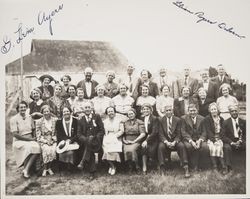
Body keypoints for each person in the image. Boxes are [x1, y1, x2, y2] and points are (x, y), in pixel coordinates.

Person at [10, 101, 41, 178]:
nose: (23, 109)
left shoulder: (29, 117)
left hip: (30, 139)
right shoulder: (14, 119)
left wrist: (34, 137)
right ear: (18, 109)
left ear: (27, 108)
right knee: (29, 148)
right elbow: (15, 134)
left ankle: (26, 169)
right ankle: (26, 170)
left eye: (24, 107)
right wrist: (29, 140)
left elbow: (33, 129)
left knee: (38, 147)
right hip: (19, 140)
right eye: (21, 107)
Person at [158, 105, 190, 177]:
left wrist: (174, 142)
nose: (168, 112)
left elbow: (179, 133)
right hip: (165, 141)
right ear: (164, 112)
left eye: (170, 110)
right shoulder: (161, 120)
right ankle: (162, 167)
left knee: (181, 146)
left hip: (175, 141)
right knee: (160, 147)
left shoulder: (178, 120)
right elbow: (161, 134)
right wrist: (166, 142)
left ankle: (185, 166)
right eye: (167, 110)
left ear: (172, 111)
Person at [77, 101, 105, 180]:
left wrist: (96, 138)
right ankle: (92, 172)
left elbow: (102, 130)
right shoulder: (80, 119)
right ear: (83, 109)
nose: (87, 109)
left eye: (89, 107)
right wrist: (86, 140)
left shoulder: (97, 117)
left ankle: (83, 163)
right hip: (86, 142)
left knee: (90, 144)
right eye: (85, 108)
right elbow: (79, 134)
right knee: (89, 145)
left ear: (91, 108)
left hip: (97, 141)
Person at [181, 104, 208, 171]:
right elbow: (183, 132)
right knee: (189, 147)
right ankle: (191, 165)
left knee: (205, 147)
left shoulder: (202, 118)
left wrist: (200, 141)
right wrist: (191, 141)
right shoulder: (183, 118)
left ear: (197, 110)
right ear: (188, 111)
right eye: (191, 111)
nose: (192, 112)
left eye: (194, 110)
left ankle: (200, 165)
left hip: (199, 138)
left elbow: (204, 132)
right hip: (188, 139)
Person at [202, 103, 228, 174]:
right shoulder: (207, 119)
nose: (213, 111)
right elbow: (208, 131)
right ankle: (215, 166)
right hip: (211, 138)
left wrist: (219, 138)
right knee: (212, 147)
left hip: (219, 137)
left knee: (219, 147)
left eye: (215, 109)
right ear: (210, 110)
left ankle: (223, 166)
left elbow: (223, 131)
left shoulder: (221, 119)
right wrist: (214, 140)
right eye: (212, 109)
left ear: (217, 110)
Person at [222, 105, 246, 172]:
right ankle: (227, 166)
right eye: (232, 111)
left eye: (236, 110)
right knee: (226, 148)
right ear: (230, 112)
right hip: (230, 141)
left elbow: (246, 134)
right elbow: (223, 136)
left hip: (240, 140)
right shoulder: (225, 122)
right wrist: (232, 143)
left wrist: (241, 141)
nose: (234, 112)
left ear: (238, 111)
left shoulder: (243, 122)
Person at [55, 106, 80, 171]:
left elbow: (78, 133)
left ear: (70, 112)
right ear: (62, 113)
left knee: (72, 150)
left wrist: (71, 140)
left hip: (74, 140)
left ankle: (71, 165)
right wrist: (65, 140)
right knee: (63, 149)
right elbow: (59, 134)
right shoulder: (59, 122)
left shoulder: (76, 121)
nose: (66, 113)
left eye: (67, 111)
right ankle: (64, 165)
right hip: (63, 141)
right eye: (64, 112)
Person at [36, 105, 57, 176]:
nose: (46, 113)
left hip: (52, 139)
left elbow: (57, 132)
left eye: (47, 111)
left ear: (50, 112)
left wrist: (53, 140)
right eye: (44, 112)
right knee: (46, 149)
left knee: (53, 149)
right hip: (43, 139)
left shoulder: (55, 120)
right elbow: (38, 135)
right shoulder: (39, 121)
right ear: (42, 112)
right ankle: (45, 168)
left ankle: (49, 167)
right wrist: (45, 141)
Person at [102, 106, 124, 175]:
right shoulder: (104, 121)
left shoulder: (119, 120)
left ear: (114, 112)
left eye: (112, 111)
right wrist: (106, 138)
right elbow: (104, 132)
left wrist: (115, 136)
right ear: (107, 113)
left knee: (114, 151)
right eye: (109, 111)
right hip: (107, 137)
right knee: (106, 151)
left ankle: (114, 167)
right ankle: (112, 166)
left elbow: (122, 131)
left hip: (117, 137)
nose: (110, 113)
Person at [123, 108, 146, 173]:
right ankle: (130, 166)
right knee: (126, 150)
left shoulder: (139, 122)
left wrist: (134, 141)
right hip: (127, 140)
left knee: (132, 149)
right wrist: (124, 140)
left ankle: (137, 166)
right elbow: (122, 133)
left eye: (132, 114)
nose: (130, 115)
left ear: (135, 114)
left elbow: (143, 134)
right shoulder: (125, 122)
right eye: (129, 114)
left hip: (137, 139)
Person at [140, 104, 159, 174]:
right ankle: (144, 167)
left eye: (147, 109)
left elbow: (155, 132)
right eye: (144, 109)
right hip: (144, 137)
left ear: (151, 110)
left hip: (153, 138)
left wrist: (147, 140)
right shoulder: (141, 118)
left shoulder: (154, 118)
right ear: (142, 111)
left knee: (151, 148)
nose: (146, 110)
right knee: (143, 148)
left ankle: (156, 163)